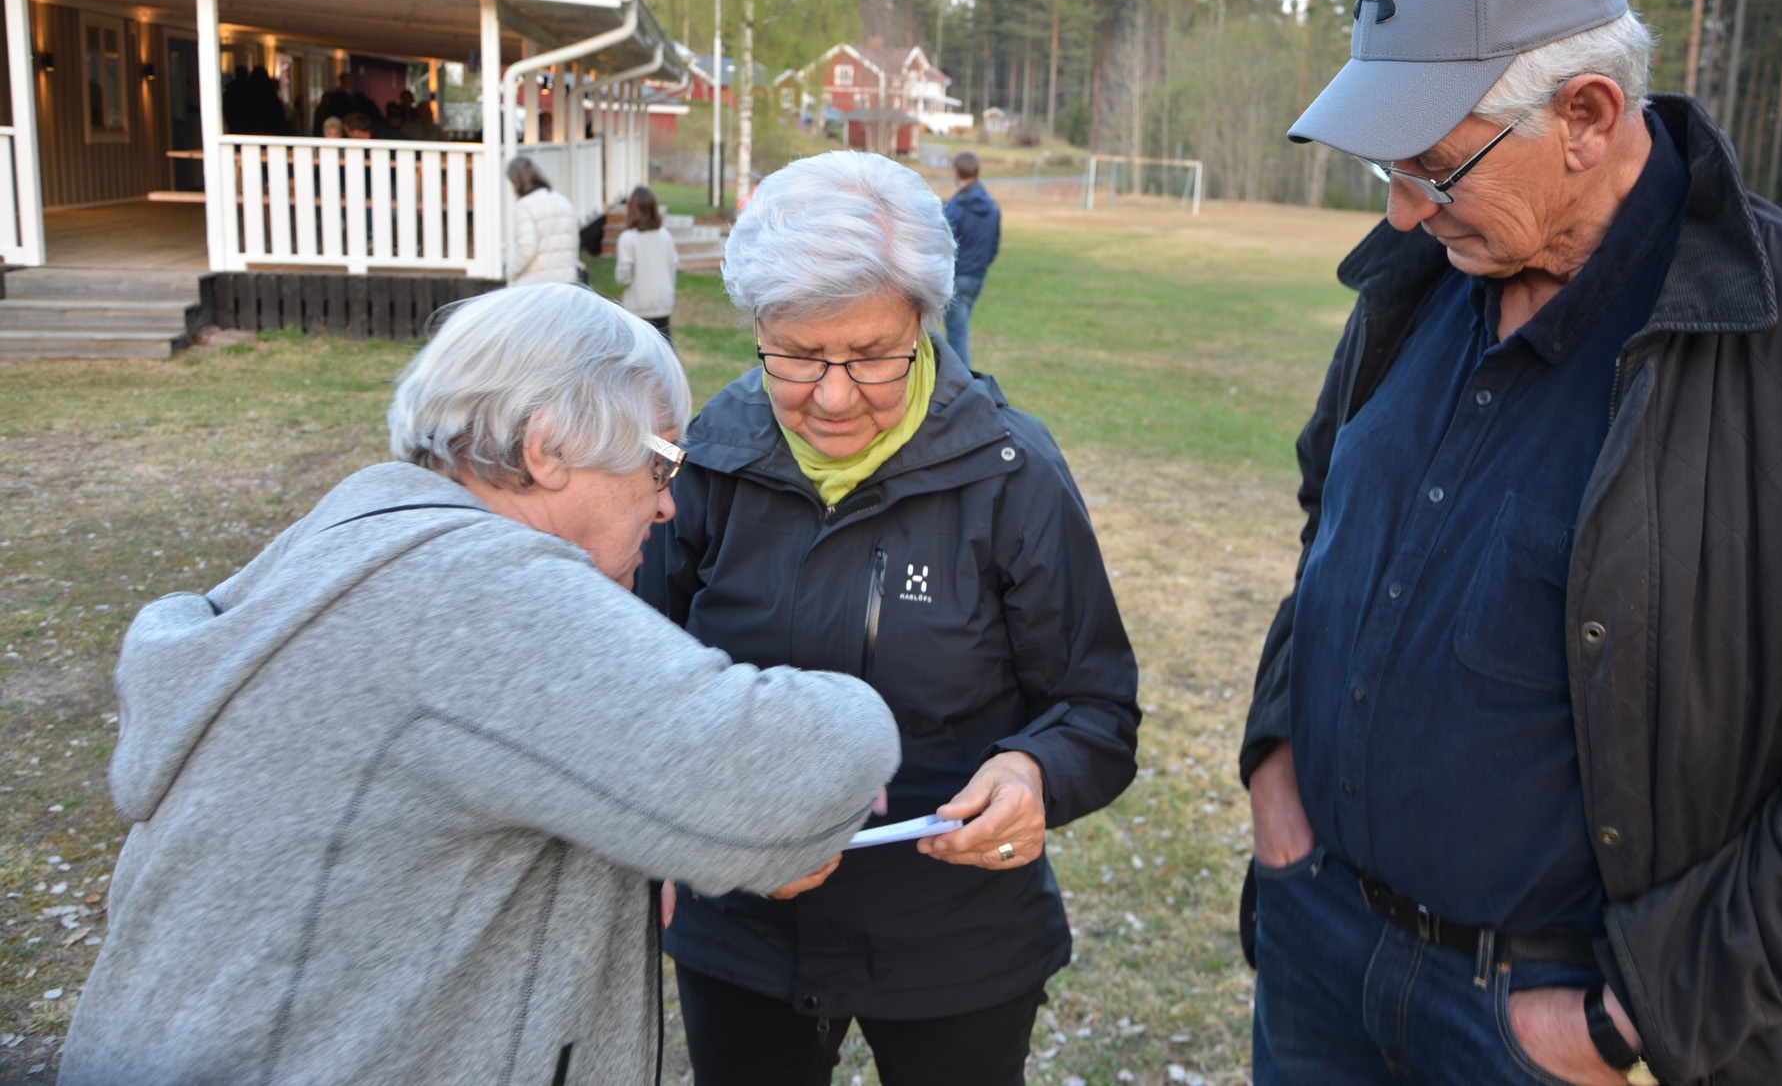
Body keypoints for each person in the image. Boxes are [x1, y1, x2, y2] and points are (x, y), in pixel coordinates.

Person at [1237, 0, 1782, 1086]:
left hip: (1556, 1027)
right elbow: (1327, 522)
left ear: (1586, 115)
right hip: (1323, 950)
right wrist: (1276, 773)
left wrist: (1619, 1017)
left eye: (1430, 167)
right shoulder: (1416, 280)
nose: (1396, 209)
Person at [60, 283, 901, 1085]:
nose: (666, 506)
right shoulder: (476, 589)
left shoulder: (349, 543)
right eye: (661, 463)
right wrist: (861, 717)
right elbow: (774, 773)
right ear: (548, 446)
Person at [634, 150, 1140, 1086]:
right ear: (754, 326)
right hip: (745, 927)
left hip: (957, 937)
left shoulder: (1011, 475)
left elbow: (1097, 709)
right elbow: (634, 684)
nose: (831, 395)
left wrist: (1035, 771)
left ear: (924, 321)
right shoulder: (703, 459)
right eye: (794, 354)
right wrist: (691, 828)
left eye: (870, 356)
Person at [942, 151, 1000, 369]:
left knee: (957, 339)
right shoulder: (992, 207)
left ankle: (964, 389)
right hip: (977, 279)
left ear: (956, 172)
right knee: (959, 332)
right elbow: (993, 246)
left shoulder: (955, 208)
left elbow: (943, 246)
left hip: (957, 279)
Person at [615, 185, 680, 339]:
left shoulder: (628, 239)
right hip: (663, 302)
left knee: (640, 352)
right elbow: (673, 265)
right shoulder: (665, 236)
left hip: (639, 305)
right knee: (664, 350)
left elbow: (624, 277)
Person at [507, 156, 582, 286]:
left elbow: (527, 248)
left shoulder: (524, 206)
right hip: (567, 284)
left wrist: (511, 272)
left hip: (537, 285)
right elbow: (574, 242)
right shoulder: (563, 201)